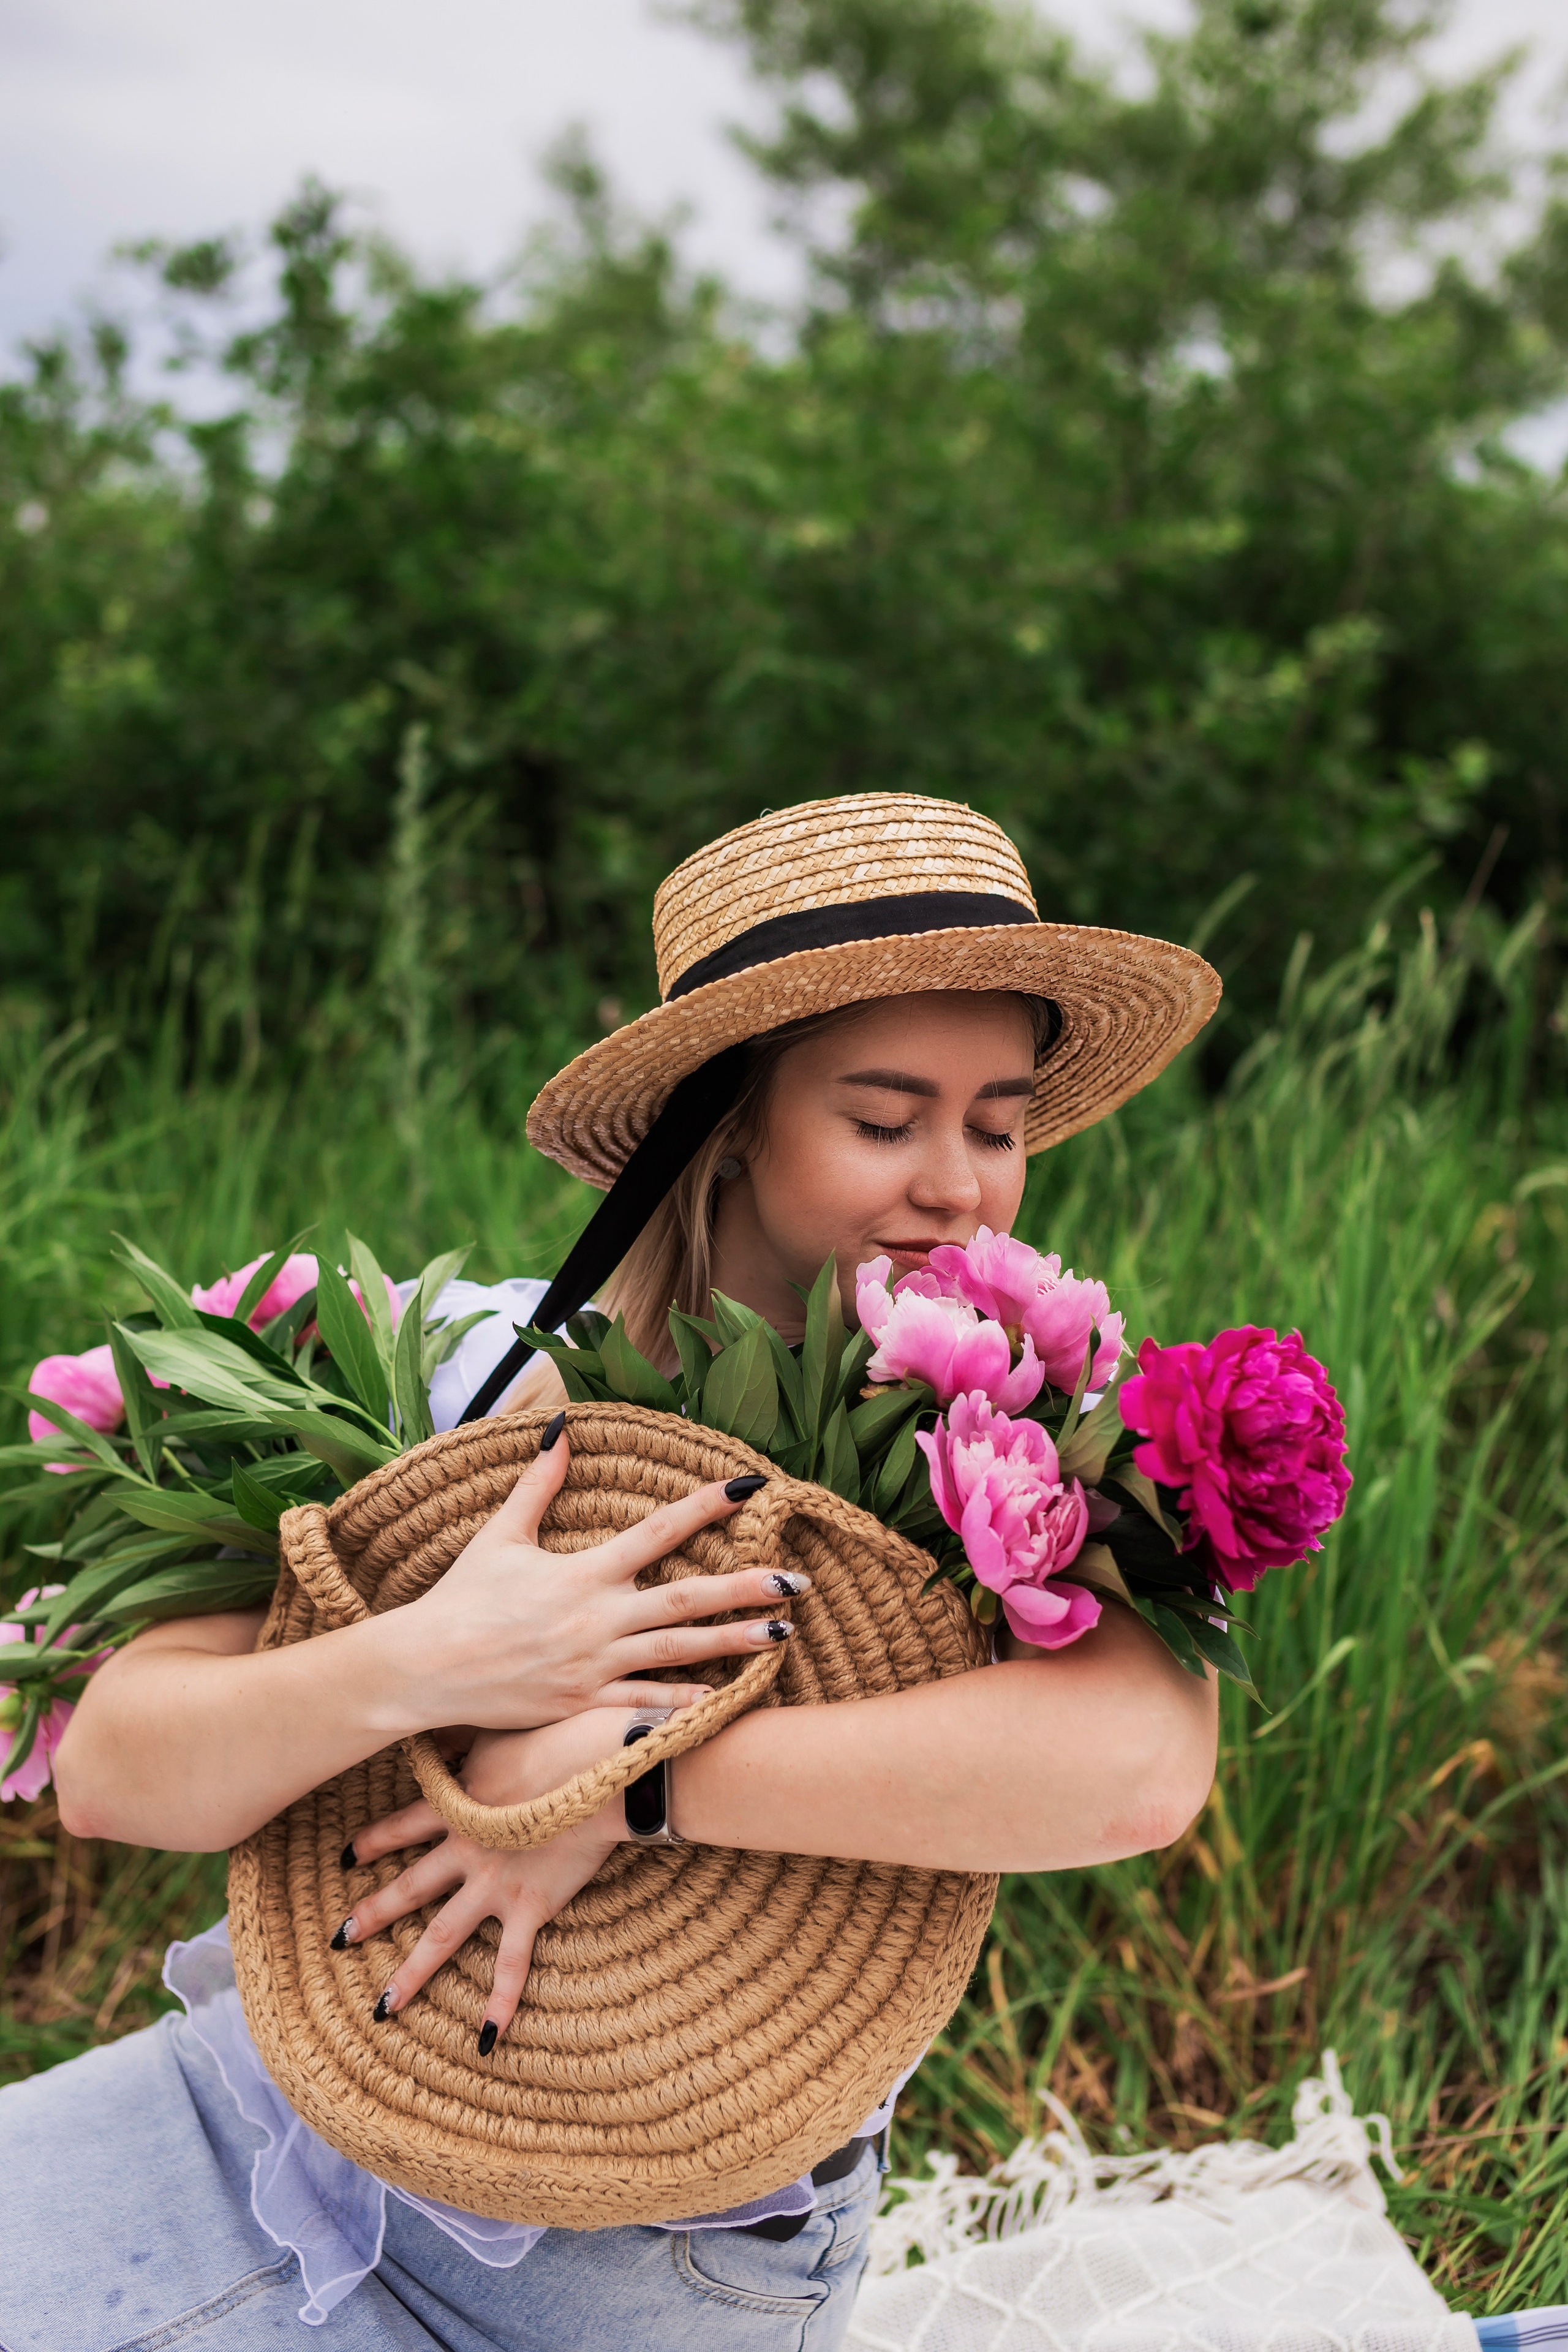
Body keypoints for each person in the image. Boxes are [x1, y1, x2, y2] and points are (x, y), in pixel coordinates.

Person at [1, 793, 1221, 2351]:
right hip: (264, 2114)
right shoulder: (460, 1378)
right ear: (723, 1130)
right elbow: (118, 1767)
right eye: (881, 1115)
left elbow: (1135, 1769)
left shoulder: (1009, 1458)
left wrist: (615, 1783)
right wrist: (438, 1661)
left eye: (994, 1124)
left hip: (621, 2275)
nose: (957, 1184)